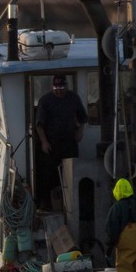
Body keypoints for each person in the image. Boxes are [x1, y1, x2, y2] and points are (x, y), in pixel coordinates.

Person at [32, 73, 86, 206]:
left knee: (70, 175)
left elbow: (83, 118)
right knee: (50, 176)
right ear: (52, 87)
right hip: (52, 145)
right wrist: (44, 142)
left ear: (66, 86)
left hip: (70, 143)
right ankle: (48, 204)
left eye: (61, 87)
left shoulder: (74, 98)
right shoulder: (45, 100)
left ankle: (71, 204)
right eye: (56, 87)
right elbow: (39, 125)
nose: (59, 90)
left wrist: (80, 132)